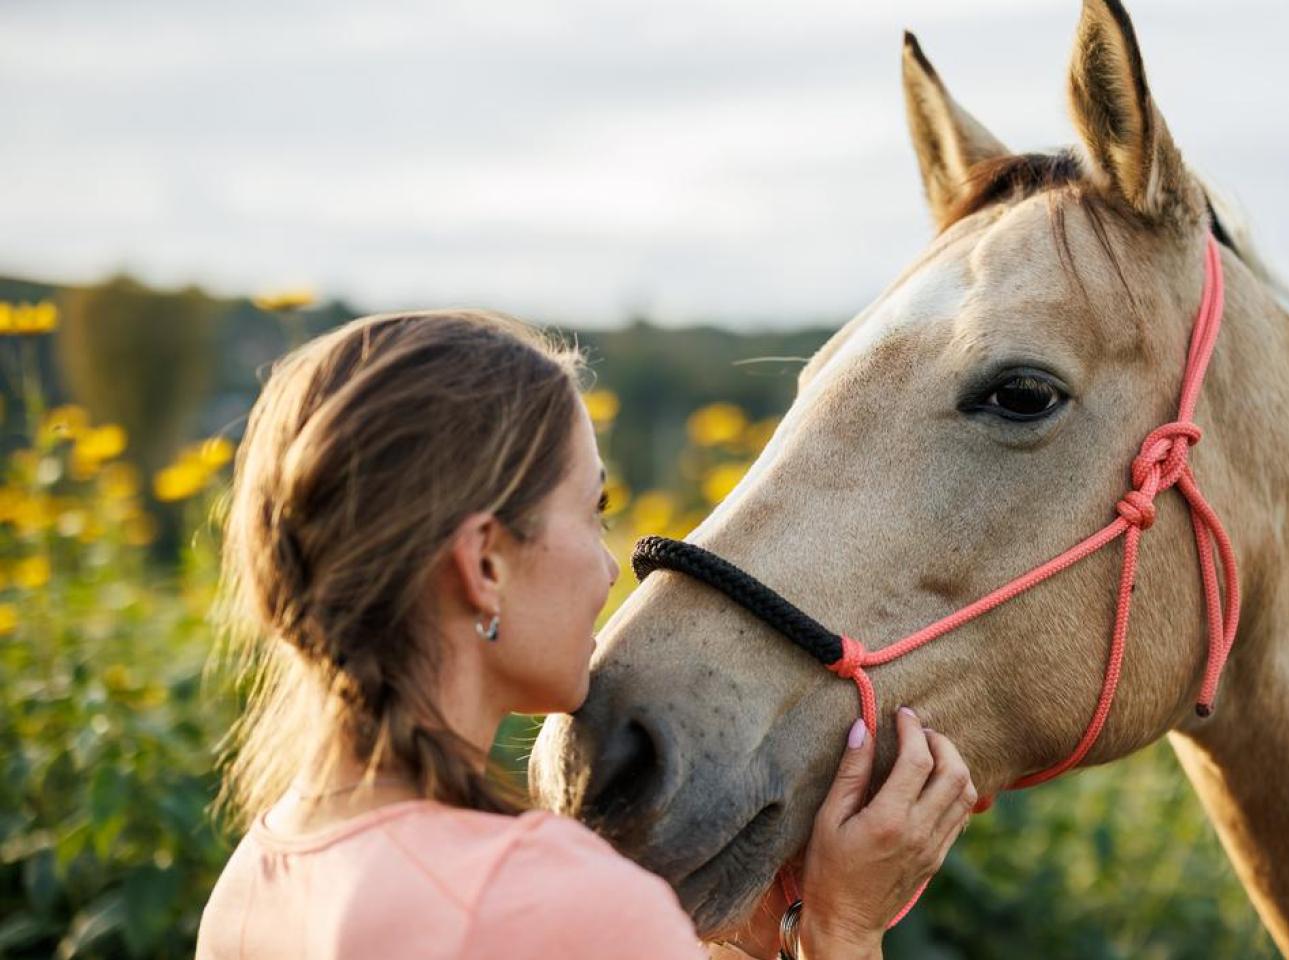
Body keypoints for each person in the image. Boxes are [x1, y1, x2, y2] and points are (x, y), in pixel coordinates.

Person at [196, 309, 976, 959]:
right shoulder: (555, 902)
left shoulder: (252, 881)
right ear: (484, 565)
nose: (611, 570)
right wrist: (845, 931)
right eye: (591, 513)